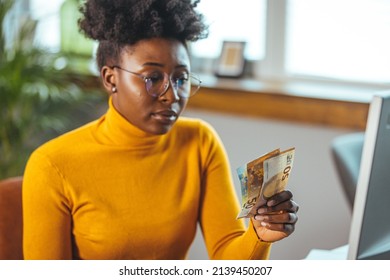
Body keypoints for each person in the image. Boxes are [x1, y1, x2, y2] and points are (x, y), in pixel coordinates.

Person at [22, 0, 299, 260]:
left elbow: (226, 254)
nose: (172, 95)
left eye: (181, 78)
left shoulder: (200, 142)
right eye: (153, 78)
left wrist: (258, 235)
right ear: (110, 78)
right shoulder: (52, 166)